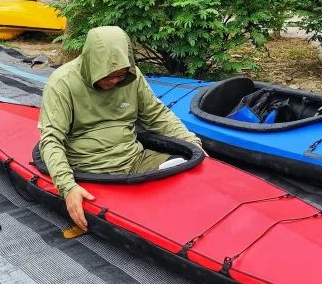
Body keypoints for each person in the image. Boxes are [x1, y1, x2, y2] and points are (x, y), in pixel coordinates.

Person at [38, 25, 202, 231]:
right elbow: (51, 139)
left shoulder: (131, 77)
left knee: (187, 179)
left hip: (134, 158)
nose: (114, 81)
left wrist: (191, 142)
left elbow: (157, 115)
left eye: (120, 76)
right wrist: (67, 187)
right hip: (90, 167)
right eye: (107, 77)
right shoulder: (62, 83)